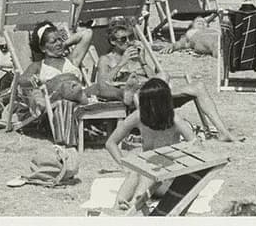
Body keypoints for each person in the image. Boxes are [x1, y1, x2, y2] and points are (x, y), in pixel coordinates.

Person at [94, 19, 242, 141]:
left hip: (154, 93)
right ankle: (161, 132)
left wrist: (143, 61)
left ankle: (223, 132)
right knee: (144, 88)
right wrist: (122, 63)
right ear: (113, 41)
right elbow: (102, 85)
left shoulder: (136, 56)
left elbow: (153, 79)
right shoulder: (106, 59)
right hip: (135, 97)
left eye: (131, 37)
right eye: (123, 39)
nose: (128, 42)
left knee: (196, 85)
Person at [105, 78, 197, 212]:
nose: (145, 106)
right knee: (137, 170)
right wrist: (125, 166)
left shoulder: (174, 119)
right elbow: (111, 143)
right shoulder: (139, 116)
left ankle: (135, 203)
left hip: (168, 180)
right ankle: (119, 204)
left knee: (150, 166)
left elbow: (196, 146)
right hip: (146, 174)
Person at [15, 21, 97, 107]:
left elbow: (88, 33)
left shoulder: (72, 59)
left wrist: (64, 44)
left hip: (80, 97)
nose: (58, 43)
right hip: (57, 104)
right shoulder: (38, 66)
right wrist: (35, 80)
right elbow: (22, 80)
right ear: (43, 48)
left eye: (60, 39)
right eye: (53, 41)